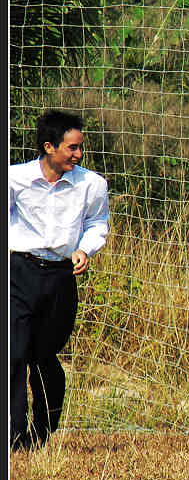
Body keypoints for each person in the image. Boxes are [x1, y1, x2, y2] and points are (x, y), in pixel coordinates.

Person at [10, 109, 110, 450]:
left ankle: (44, 426)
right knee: (13, 353)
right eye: (72, 147)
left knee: (44, 355)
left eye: (80, 147)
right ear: (49, 147)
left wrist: (85, 249)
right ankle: (14, 434)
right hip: (18, 271)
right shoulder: (14, 179)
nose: (78, 155)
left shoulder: (92, 185)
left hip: (61, 277)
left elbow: (98, 223)